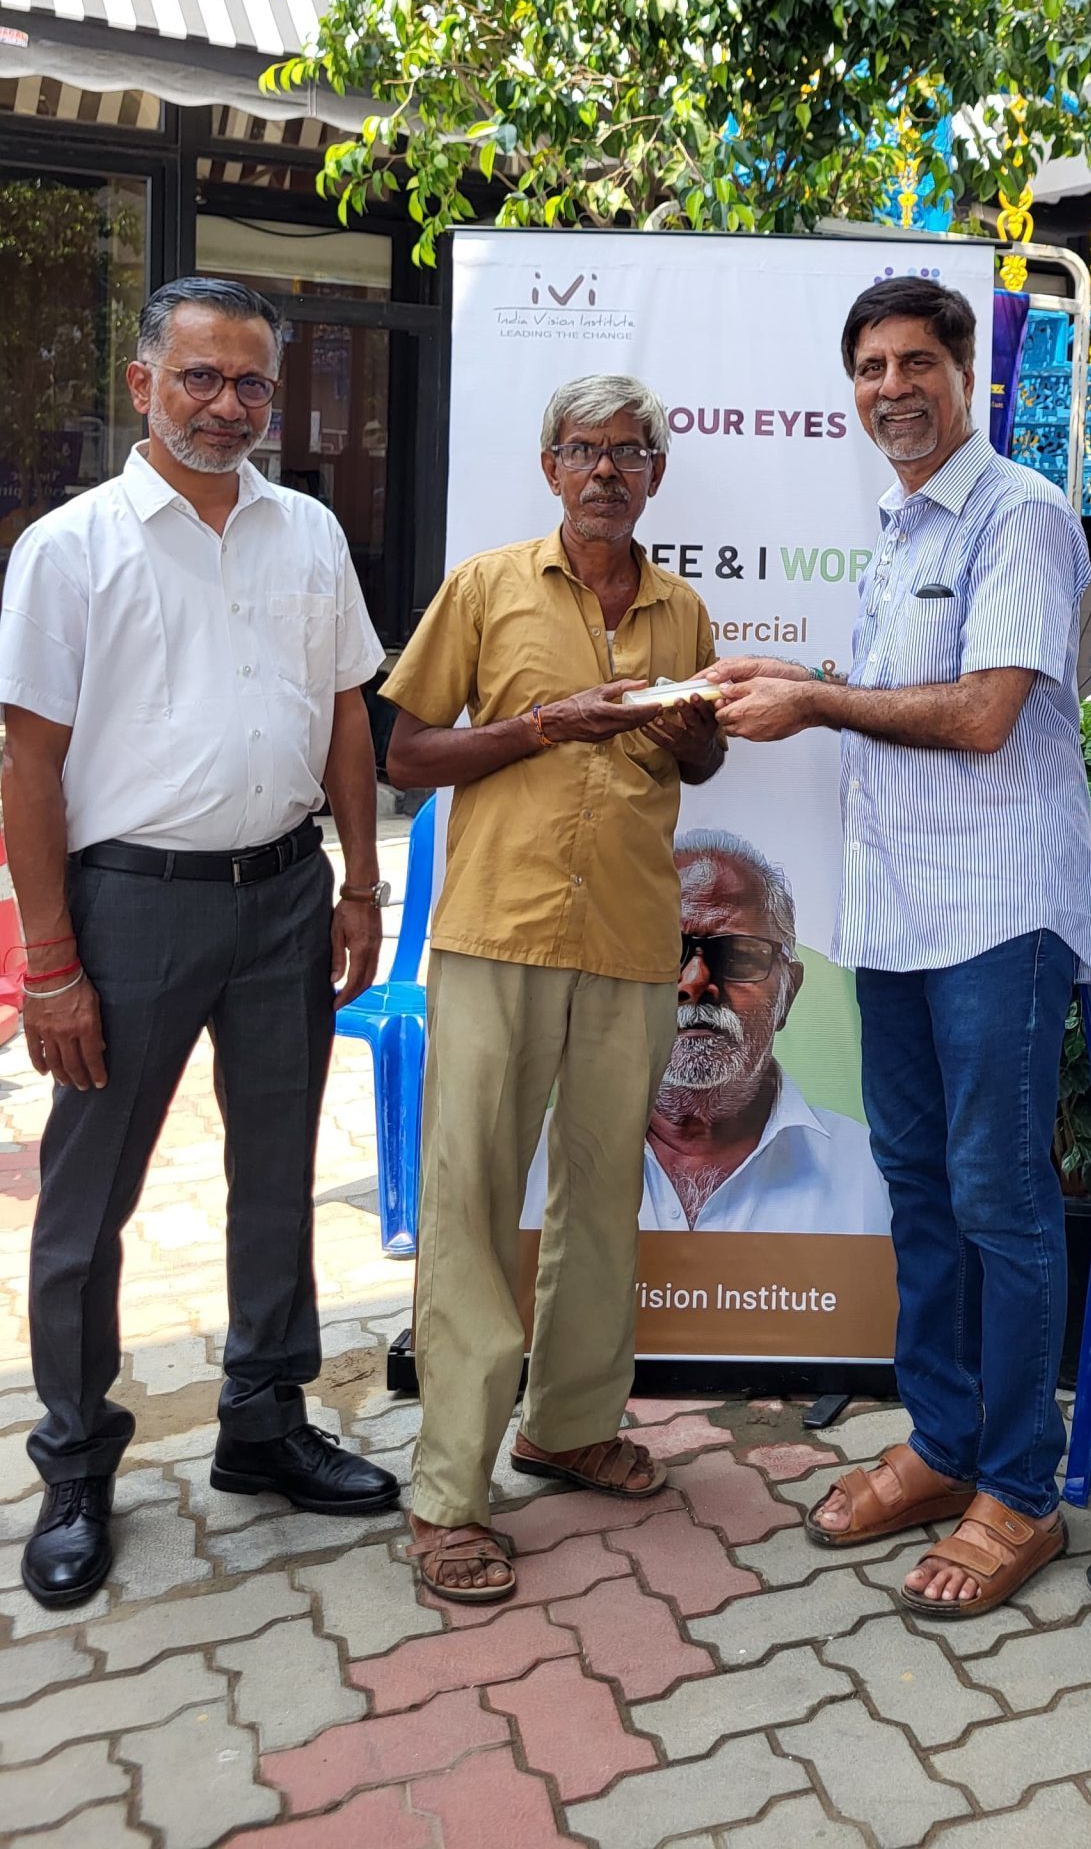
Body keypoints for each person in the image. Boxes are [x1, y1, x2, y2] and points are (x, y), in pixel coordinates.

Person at [0, 277, 398, 1608]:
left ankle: (264, 1424)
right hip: (131, 909)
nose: (228, 405)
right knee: (89, 1204)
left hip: (285, 895)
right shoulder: (71, 549)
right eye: (201, 377)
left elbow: (346, 715)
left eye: (251, 383)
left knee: (276, 1175)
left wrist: (360, 884)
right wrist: (51, 963)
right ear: (142, 384)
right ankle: (74, 1462)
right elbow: (28, 766)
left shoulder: (310, 533)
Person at [714, 274, 1091, 1617]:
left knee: (998, 1199)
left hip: (995, 914)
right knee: (921, 1191)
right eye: (871, 367)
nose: (893, 388)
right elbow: (899, 697)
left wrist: (816, 703)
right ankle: (944, 1443)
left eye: (916, 362)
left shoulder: (1022, 515)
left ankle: (1022, 1487)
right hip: (893, 917)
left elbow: (985, 712)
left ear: (964, 371)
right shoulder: (894, 526)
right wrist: (794, 687)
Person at [381, 373, 725, 1603]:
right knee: (470, 1199)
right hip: (501, 932)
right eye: (584, 449)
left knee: (602, 1193)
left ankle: (569, 1426)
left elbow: (705, 755)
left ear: (655, 474)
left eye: (629, 451)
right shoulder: (487, 587)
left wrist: (691, 735)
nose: (606, 471)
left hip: (629, 936)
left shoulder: (684, 610)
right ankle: (448, 1493)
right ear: (550, 468)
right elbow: (406, 752)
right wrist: (541, 725)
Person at [519, 830, 890, 1236]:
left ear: (789, 992)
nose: (695, 982)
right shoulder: (528, 1161)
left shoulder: (872, 1177)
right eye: (661, 953)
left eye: (739, 955)